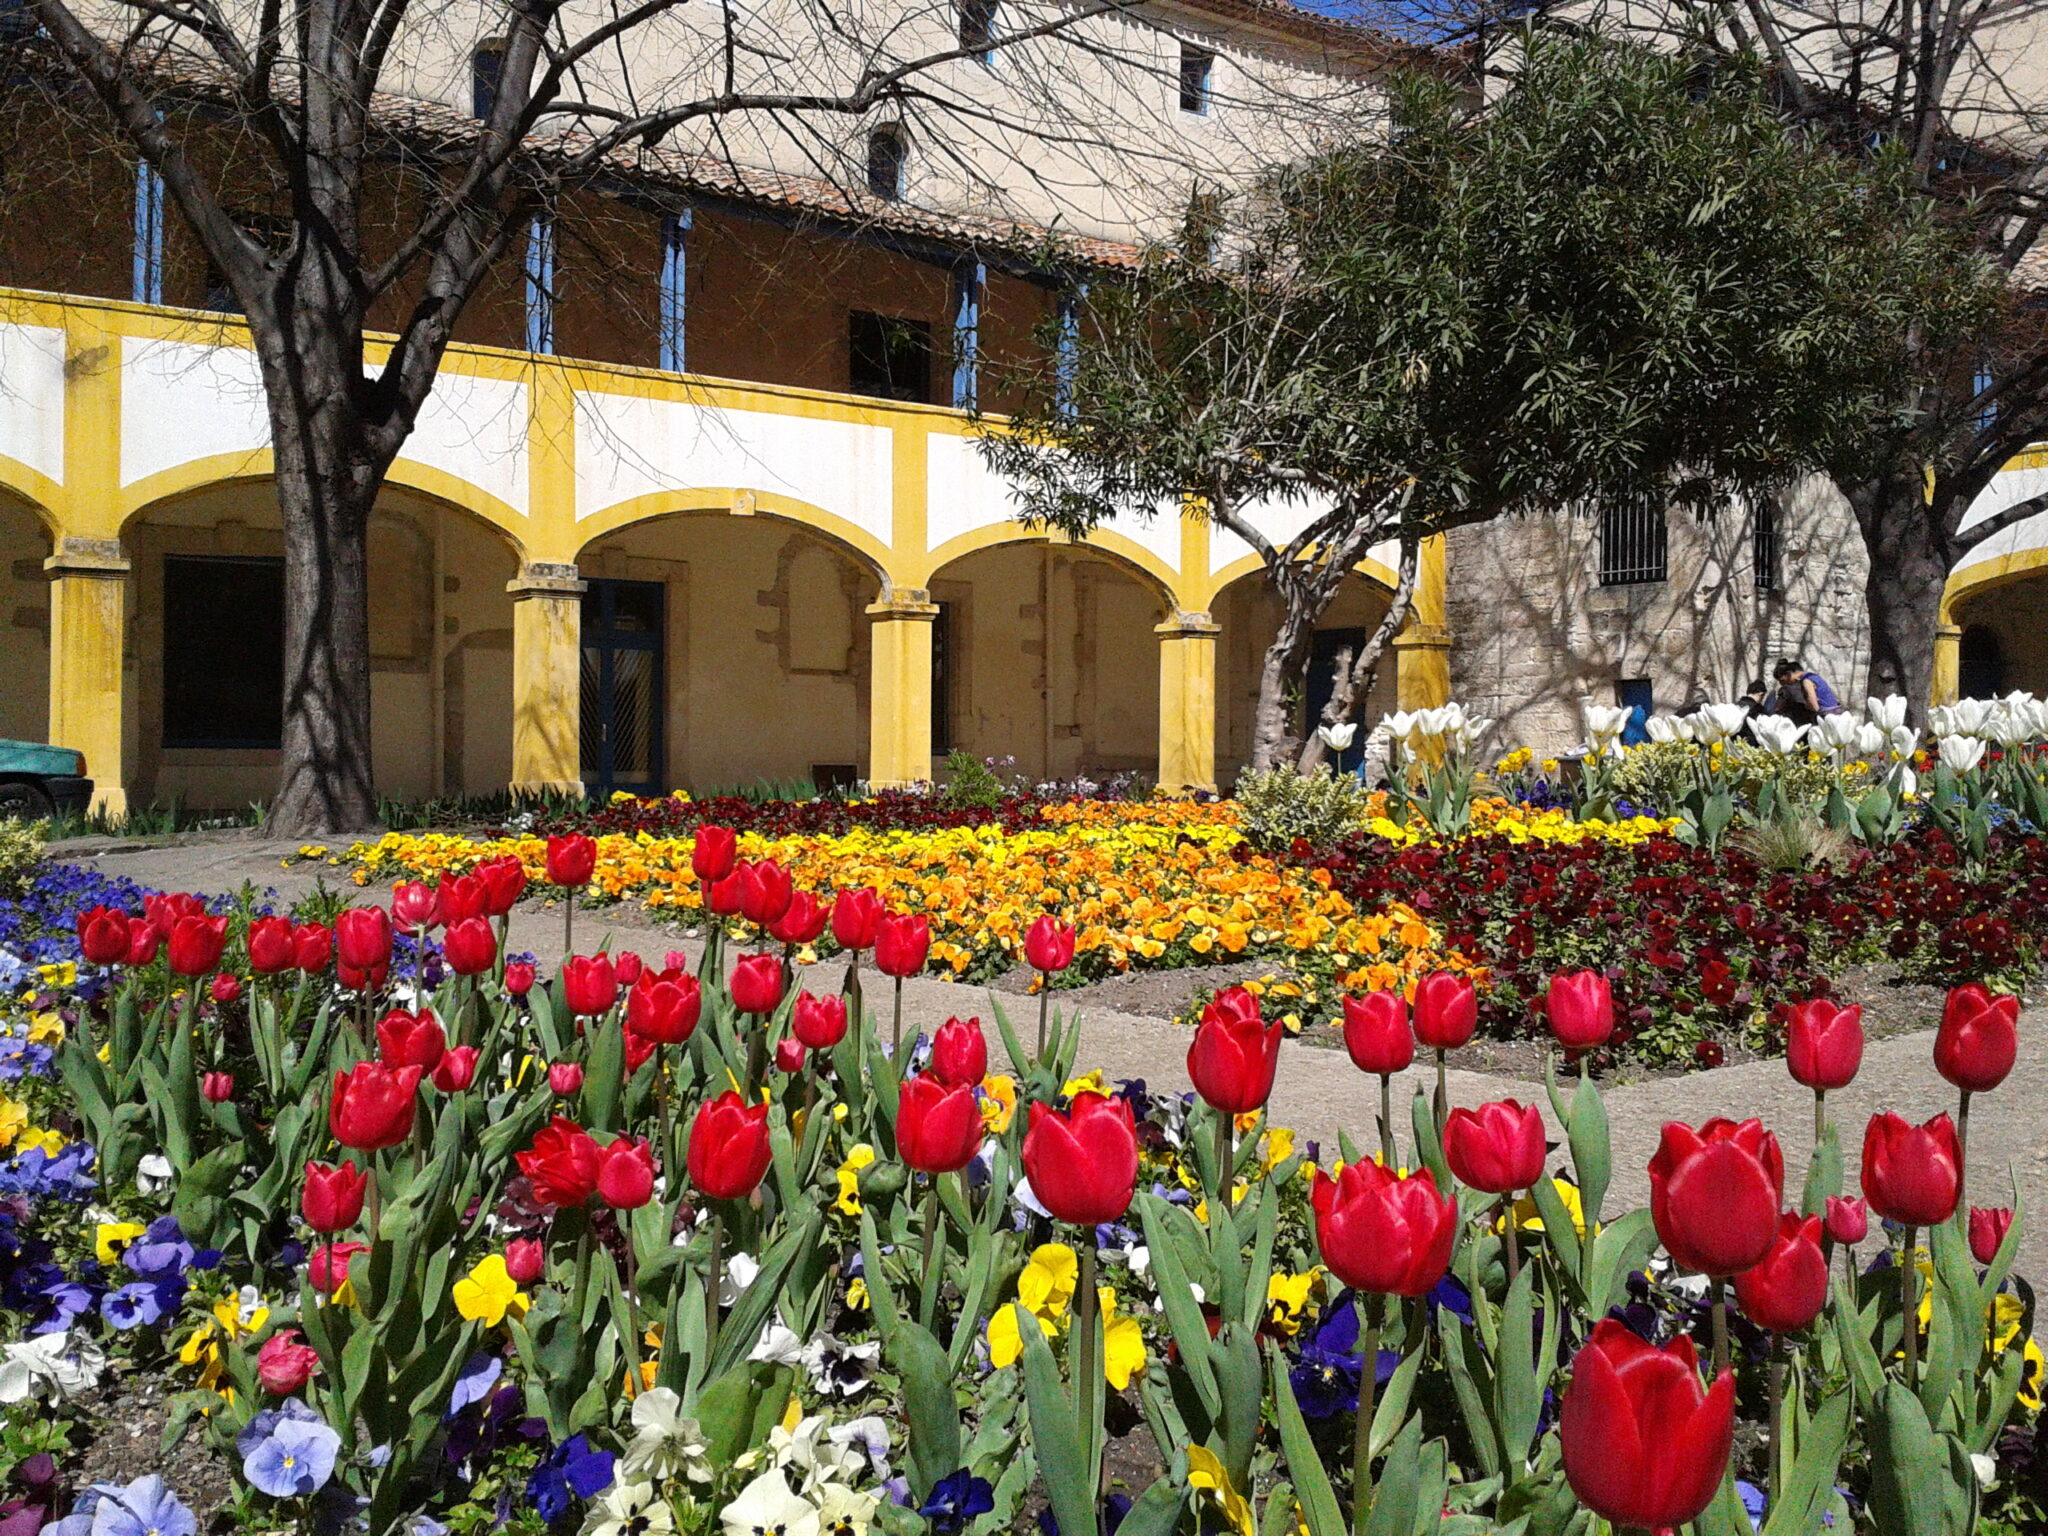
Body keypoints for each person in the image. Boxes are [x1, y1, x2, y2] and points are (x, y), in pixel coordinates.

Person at [1767, 657, 1843, 727]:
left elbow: (1814, 707)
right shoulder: (1813, 676)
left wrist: (1807, 705)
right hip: (1835, 712)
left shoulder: (1806, 681)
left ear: (1789, 674)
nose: (1784, 684)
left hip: (1827, 717)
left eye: (1783, 681)